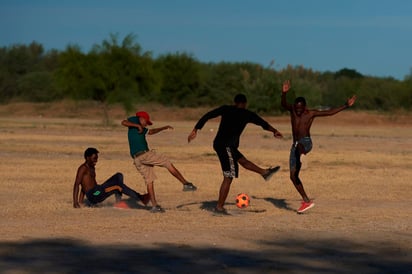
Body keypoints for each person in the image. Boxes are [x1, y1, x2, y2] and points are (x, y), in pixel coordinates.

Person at [188, 93, 283, 215]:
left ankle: (264, 173)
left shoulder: (226, 109)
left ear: (235, 102)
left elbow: (208, 115)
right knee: (229, 176)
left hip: (220, 144)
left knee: (242, 160)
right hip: (226, 146)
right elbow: (263, 123)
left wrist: (196, 129)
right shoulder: (247, 114)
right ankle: (219, 208)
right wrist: (274, 131)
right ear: (245, 103)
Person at [281, 80, 357, 213]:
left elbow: (329, 112)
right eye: (296, 108)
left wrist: (345, 105)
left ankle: (302, 156)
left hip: (306, 142)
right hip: (295, 146)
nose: (298, 110)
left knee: (299, 146)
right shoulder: (292, 111)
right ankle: (306, 201)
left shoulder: (310, 113)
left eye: (300, 108)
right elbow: (283, 104)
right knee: (293, 176)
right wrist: (284, 93)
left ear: (305, 107)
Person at [121, 111, 197, 213]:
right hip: (144, 154)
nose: (146, 124)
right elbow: (124, 122)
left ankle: (154, 206)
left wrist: (163, 128)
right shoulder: (135, 120)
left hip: (137, 159)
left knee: (149, 180)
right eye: (146, 122)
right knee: (167, 162)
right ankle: (186, 184)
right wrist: (137, 125)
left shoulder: (142, 129)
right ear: (141, 118)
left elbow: (151, 132)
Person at [72, 147, 149, 208]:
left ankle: (118, 203)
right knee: (117, 186)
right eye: (94, 158)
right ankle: (141, 197)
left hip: (98, 190)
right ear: (87, 158)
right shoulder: (83, 168)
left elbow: (85, 185)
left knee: (118, 176)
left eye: (97, 158)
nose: (96, 161)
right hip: (94, 194)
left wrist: (81, 201)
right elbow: (77, 184)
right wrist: (76, 202)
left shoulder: (91, 167)